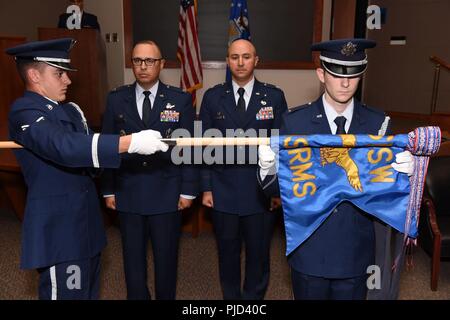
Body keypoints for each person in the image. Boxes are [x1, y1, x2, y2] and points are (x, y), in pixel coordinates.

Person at [5, 38, 168, 300]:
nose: (68, 80)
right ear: (34, 75)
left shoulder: (69, 111)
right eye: (59, 73)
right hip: (61, 232)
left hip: (86, 226)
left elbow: (89, 158)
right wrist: (128, 143)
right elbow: (62, 146)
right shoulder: (25, 110)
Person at [257, 38, 414, 300]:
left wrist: (405, 176)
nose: (344, 83)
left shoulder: (377, 123)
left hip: (356, 249)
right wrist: (268, 168)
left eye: (353, 75)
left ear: (361, 75)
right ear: (321, 74)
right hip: (310, 249)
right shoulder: (295, 123)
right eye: (336, 74)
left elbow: (383, 192)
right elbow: (275, 191)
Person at [101, 40, 197, 300]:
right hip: (128, 189)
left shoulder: (180, 100)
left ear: (161, 64)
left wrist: (188, 190)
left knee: (166, 259)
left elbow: (187, 147)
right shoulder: (116, 98)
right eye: (137, 61)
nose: (143, 67)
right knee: (132, 259)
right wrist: (108, 188)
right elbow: (108, 146)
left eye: (150, 61)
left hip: (166, 190)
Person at [199, 39, 288, 299]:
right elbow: (202, 146)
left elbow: (281, 147)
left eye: (246, 57)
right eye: (234, 57)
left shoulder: (274, 96)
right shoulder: (213, 97)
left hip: (261, 192)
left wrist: (277, 189)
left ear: (256, 60)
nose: (240, 62)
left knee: (259, 254)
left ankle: (252, 301)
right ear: (227, 61)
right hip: (222, 189)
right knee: (227, 252)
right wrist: (206, 187)